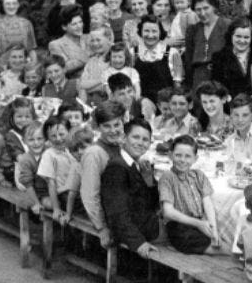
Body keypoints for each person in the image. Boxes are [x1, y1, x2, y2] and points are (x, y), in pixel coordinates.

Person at [101, 118, 161, 258]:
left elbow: (152, 202)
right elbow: (117, 213)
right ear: (124, 138)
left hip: (147, 222)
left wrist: (149, 180)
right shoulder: (117, 168)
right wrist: (138, 243)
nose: (140, 143)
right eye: (136, 137)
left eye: (145, 139)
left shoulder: (135, 164)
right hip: (140, 231)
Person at [159, 134, 219, 254]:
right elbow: (168, 212)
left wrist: (214, 229)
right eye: (178, 155)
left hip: (198, 224)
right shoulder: (167, 177)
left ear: (195, 159)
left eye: (188, 156)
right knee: (217, 248)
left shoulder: (198, 175)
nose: (182, 160)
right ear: (170, 155)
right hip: (179, 226)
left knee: (217, 240)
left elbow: (207, 203)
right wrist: (199, 224)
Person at [80, 100, 126, 246]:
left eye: (117, 125)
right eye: (107, 126)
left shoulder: (121, 144)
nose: (113, 130)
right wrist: (101, 228)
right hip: (106, 211)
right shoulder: (94, 153)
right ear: (98, 127)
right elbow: (89, 195)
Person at [184, 0, 229, 90]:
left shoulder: (227, 26)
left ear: (214, 7)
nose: (202, 13)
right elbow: (188, 60)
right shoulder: (192, 30)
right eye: (198, 9)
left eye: (206, 8)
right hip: (199, 81)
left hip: (220, 79)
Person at [37, 116, 78, 224]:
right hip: (60, 193)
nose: (58, 139)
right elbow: (51, 183)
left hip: (73, 190)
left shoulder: (72, 150)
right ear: (47, 137)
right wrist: (56, 208)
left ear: (69, 132)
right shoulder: (49, 155)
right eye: (53, 136)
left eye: (61, 134)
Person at [212, 17, 252, 98]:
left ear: (251, 38)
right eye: (238, 36)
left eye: (246, 37)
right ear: (231, 36)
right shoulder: (219, 57)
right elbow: (218, 87)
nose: (242, 41)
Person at [133, 15, 173, 106]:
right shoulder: (133, 53)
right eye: (146, 31)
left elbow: (177, 84)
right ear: (140, 32)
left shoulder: (171, 52)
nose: (150, 35)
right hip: (140, 103)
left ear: (160, 32)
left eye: (154, 31)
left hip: (166, 104)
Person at [0, 97, 36, 186]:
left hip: (27, 166)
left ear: (33, 118)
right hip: (13, 170)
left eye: (27, 116)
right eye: (19, 116)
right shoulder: (10, 136)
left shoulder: (30, 132)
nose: (23, 120)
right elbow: (19, 157)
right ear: (12, 118)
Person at [0, 0, 36, 64]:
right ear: (2, 5)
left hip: (23, 65)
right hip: (4, 66)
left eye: (14, 3)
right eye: (8, 4)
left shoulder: (27, 24)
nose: (11, 7)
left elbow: (31, 49)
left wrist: (33, 65)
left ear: (18, 5)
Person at [48, 4, 90, 78]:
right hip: (75, 82)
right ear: (64, 27)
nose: (79, 26)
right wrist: (88, 57)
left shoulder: (89, 38)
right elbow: (64, 67)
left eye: (80, 22)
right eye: (74, 24)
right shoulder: (56, 44)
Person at [15, 121, 48, 214]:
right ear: (24, 141)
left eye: (39, 138)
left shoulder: (50, 152)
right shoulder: (25, 159)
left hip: (57, 189)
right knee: (51, 204)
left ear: (45, 138)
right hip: (40, 193)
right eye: (31, 140)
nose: (36, 143)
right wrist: (36, 203)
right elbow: (28, 184)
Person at [78, 24, 112, 105]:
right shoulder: (91, 61)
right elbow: (82, 85)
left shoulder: (116, 57)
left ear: (109, 39)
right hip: (90, 104)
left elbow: (111, 87)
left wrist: (89, 87)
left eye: (98, 40)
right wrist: (102, 80)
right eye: (92, 40)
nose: (95, 44)